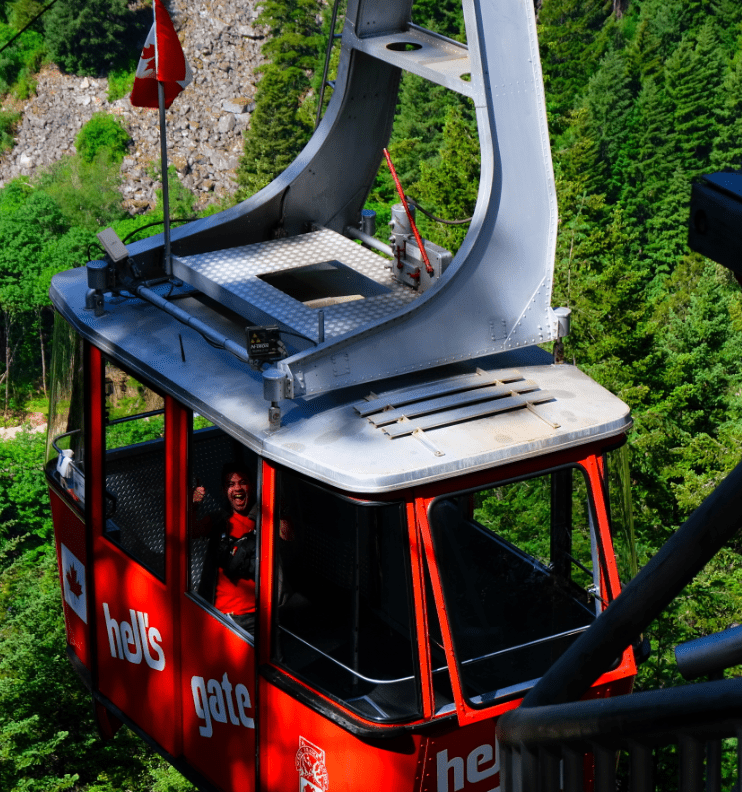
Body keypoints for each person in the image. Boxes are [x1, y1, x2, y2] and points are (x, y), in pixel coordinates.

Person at [194, 463, 258, 633]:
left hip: (260, 616)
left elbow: (289, 537)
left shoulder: (263, 519)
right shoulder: (218, 520)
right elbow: (188, 532)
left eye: (242, 482)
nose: (237, 488)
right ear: (224, 491)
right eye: (231, 484)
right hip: (224, 616)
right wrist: (193, 503)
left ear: (251, 486)